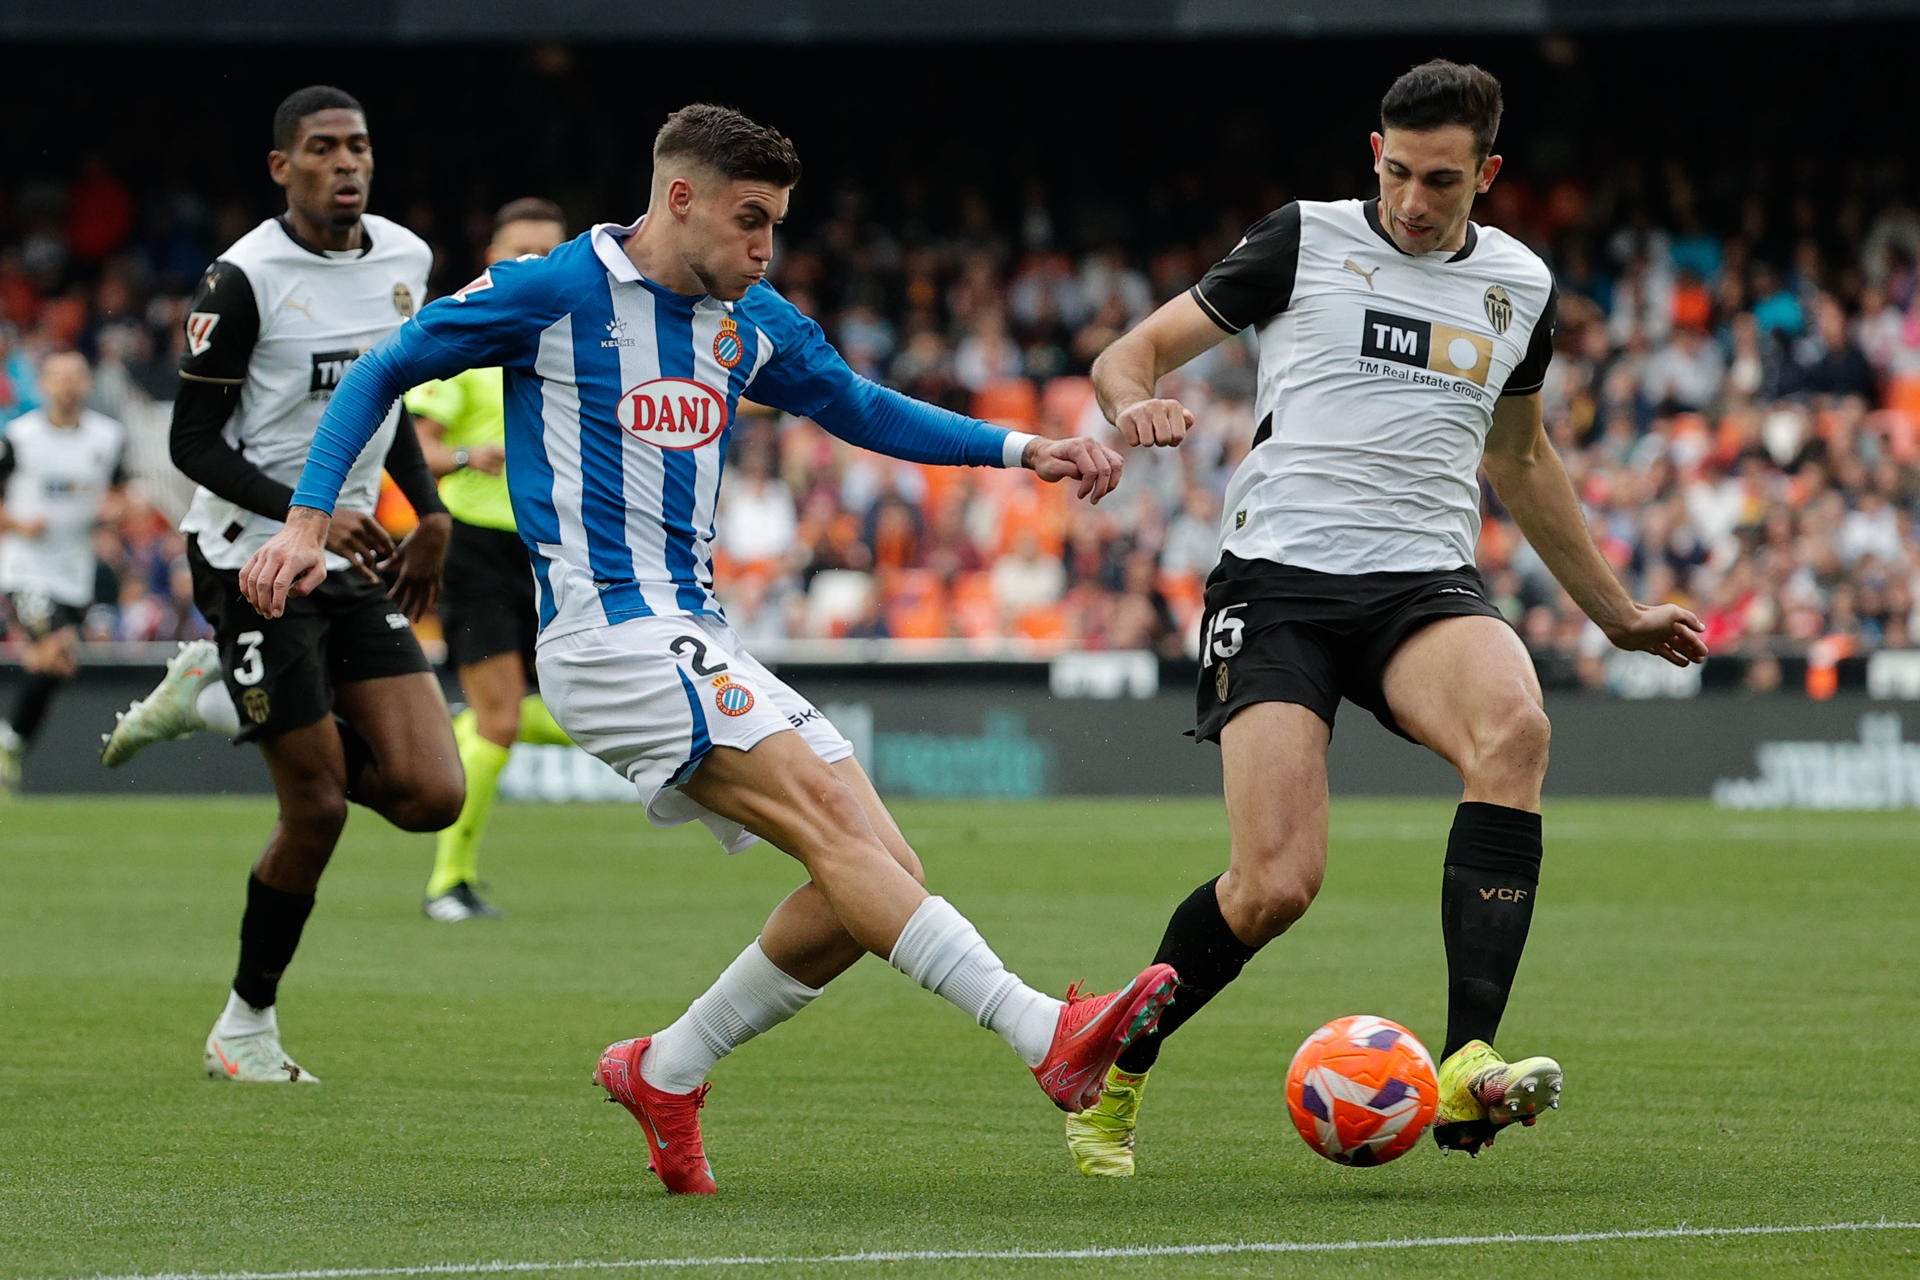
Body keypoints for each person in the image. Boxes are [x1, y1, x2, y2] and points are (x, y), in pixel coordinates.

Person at [240, 103, 1176, 1193]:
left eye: (774, 225)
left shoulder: (751, 317)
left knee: (874, 877)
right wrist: (307, 521)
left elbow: (858, 405)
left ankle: (667, 1066)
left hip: (693, 631)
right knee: (843, 837)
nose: (763, 248)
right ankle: (1042, 1033)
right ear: (677, 199)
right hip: (609, 636)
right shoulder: (553, 290)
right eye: (749, 222)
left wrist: (1026, 447)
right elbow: (380, 371)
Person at [1068, 59, 1709, 1176]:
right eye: (1401, 172)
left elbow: (1519, 453)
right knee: (1275, 885)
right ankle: (1113, 1072)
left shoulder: (1520, 285)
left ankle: (1467, 1059)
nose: (1415, 201)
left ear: (1489, 175)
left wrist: (1615, 613)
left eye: (1444, 182)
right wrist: (1135, 406)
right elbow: (1127, 353)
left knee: (1516, 728)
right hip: (1278, 585)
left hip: (1420, 583)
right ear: (1375, 153)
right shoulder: (1302, 240)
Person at [104, 86, 464, 1082]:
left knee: (432, 792)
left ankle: (223, 699)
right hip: (247, 554)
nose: (346, 163)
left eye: (358, 145)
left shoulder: (405, 260)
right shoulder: (243, 279)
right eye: (322, 149)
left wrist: (426, 511)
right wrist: (309, 507)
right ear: (283, 168)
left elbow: (386, 398)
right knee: (318, 807)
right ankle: (245, 1026)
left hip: (348, 555)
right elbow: (190, 442)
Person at [403, 197, 573, 922]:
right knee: (504, 718)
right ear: (492, 262)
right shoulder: (466, 341)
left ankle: (458, 733)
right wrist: (474, 454)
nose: (534, 266)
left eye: (549, 254)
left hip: (555, 548)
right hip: (476, 547)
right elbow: (416, 447)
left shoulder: (582, 344)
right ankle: (448, 883)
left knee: (564, 708)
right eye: (520, 254)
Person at [0, 351, 127, 792]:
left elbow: (122, 494)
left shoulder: (107, 438)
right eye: (58, 377)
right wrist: (16, 523)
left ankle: (11, 741)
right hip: (26, 567)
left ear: (88, 383)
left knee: (55, 664)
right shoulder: (18, 437)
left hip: (75, 570)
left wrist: (116, 509)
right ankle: (8, 740)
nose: (67, 385)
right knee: (56, 646)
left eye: (76, 376)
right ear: (44, 384)